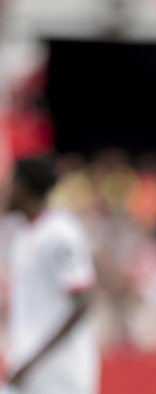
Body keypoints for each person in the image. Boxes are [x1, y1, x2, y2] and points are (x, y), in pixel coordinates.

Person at [1, 158, 99, 394]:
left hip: (60, 372)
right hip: (26, 365)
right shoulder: (23, 234)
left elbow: (83, 301)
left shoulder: (60, 233)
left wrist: (33, 360)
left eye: (11, 183)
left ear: (23, 187)